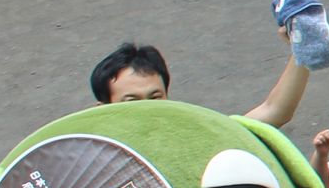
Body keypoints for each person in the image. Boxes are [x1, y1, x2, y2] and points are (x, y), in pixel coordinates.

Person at [88, 36, 312, 129]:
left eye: (155, 97)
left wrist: (303, 47)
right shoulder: (85, 160)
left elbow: (274, 111)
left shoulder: (192, 138)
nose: (148, 108)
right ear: (102, 110)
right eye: (132, 101)